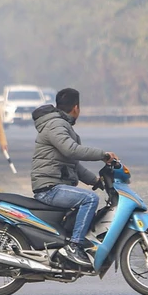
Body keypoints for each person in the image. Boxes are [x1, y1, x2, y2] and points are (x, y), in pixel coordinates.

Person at [30, 88, 116, 268]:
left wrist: (96, 181)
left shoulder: (60, 125)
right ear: (76, 108)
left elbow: (73, 164)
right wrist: (103, 155)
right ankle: (74, 246)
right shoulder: (56, 125)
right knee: (89, 199)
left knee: (88, 197)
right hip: (49, 188)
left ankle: (70, 243)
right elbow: (72, 150)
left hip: (55, 184)